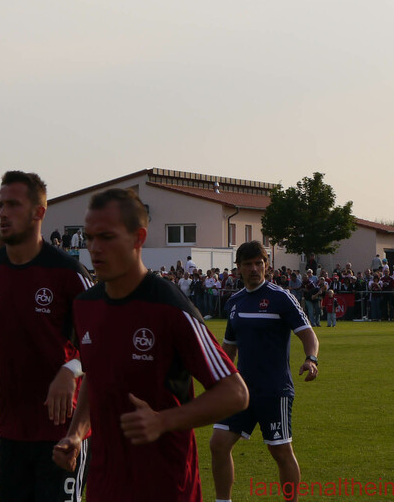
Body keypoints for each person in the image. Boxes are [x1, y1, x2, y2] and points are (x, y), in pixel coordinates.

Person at [52, 189, 248, 502]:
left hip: (166, 485)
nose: (94, 248)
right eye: (89, 238)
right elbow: (95, 375)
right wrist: (76, 434)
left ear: (138, 238)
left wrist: (163, 421)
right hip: (105, 485)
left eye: (106, 237)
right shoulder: (85, 306)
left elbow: (236, 393)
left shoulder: (169, 306)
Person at [0, 171, 95, 501]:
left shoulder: (69, 273)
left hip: (63, 432)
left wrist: (70, 369)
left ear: (39, 213)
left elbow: (103, 345)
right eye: (1, 204)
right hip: (12, 432)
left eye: (14, 205)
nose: (3, 213)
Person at [210, 241, 318, 502]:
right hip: (242, 391)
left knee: (280, 451)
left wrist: (311, 359)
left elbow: (308, 335)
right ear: (238, 268)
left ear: (266, 265)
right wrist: (217, 377)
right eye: (248, 264)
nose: (254, 269)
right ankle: (222, 501)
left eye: (259, 263)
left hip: (274, 390)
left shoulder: (281, 297)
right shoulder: (234, 302)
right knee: (218, 443)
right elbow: (229, 348)